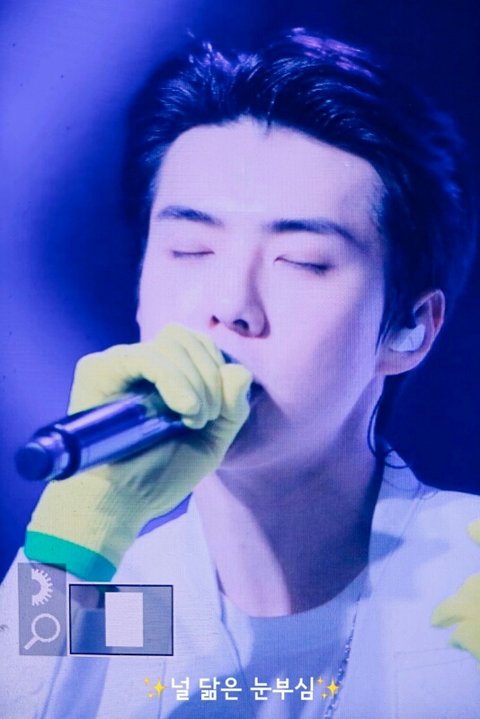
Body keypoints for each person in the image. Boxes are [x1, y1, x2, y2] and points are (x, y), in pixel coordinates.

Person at [1, 28, 479, 718]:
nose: (231, 306)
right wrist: (76, 529)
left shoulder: (462, 575)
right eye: (190, 249)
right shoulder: (122, 599)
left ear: (410, 327)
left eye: (302, 261)